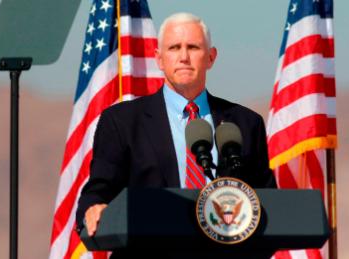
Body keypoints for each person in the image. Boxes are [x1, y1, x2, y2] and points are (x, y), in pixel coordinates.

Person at [76, 12, 276, 240]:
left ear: (211, 57)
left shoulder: (245, 123)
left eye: (193, 47)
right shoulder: (122, 121)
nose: (183, 57)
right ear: (159, 59)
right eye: (174, 48)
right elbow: (98, 192)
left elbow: (266, 203)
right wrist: (94, 209)